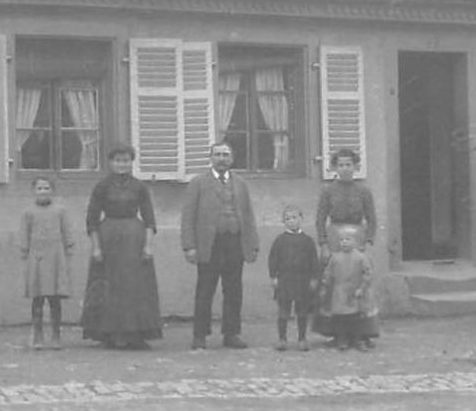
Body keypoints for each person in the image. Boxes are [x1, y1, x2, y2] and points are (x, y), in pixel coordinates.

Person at [80, 146, 162, 349]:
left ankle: (136, 334)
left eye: (125, 160)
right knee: (110, 287)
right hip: (108, 238)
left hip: (135, 239)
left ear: (131, 162)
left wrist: (148, 247)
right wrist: (97, 248)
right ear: (111, 162)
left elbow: (150, 219)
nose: (122, 164)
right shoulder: (102, 187)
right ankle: (109, 333)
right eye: (118, 160)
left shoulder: (140, 187)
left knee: (135, 287)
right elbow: (91, 220)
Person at [180, 142, 258, 350]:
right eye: (217, 155)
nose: (222, 158)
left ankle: (231, 334)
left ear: (231, 159)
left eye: (225, 155)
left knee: (233, 290)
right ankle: (200, 335)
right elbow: (188, 216)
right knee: (205, 290)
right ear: (211, 158)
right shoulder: (198, 183)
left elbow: (248, 215)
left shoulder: (240, 184)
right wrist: (189, 246)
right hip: (209, 244)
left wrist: (252, 244)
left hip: (234, 241)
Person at [314, 147, 380, 346]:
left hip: (357, 239)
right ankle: (337, 333)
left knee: (358, 283)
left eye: (348, 165)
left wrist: (367, 241)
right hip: (335, 238)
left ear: (356, 166)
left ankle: (362, 333)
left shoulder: (363, 191)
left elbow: (372, 218)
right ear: (335, 167)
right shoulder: (328, 191)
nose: (344, 169)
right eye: (340, 165)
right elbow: (320, 218)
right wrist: (324, 244)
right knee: (335, 285)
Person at [20, 176, 74, 351]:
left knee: (54, 299)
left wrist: (69, 248)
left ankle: (56, 335)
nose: (43, 192)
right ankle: (37, 335)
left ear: (53, 191)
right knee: (37, 299)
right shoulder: (28, 212)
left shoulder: (60, 211)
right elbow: (24, 233)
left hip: (55, 258)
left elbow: (67, 231)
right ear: (33, 191)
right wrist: (25, 250)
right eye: (39, 188)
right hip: (37, 258)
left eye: (46, 188)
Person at [267, 205, 320, 351]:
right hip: (285, 281)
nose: (291, 221)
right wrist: (273, 277)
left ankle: (302, 339)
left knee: (302, 311)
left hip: (302, 281)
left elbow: (314, 260)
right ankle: (282, 339)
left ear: (301, 219)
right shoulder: (280, 241)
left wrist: (314, 278)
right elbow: (273, 260)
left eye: (294, 217)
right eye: (287, 219)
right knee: (283, 311)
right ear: (283, 222)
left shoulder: (308, 241)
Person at [318, 225, 375, 350]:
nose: (344, 242)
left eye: (348, 239)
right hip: (339, 292)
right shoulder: (335, 258)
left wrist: (362, 288)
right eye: (342, 240)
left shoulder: (360, 257)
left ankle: (358, 339)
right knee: (340, 318)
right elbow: (328, 273)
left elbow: (367, 273)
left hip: (355, 292)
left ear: (355, 242)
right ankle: (341, 339)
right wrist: (325, 286)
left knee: (356, 318)